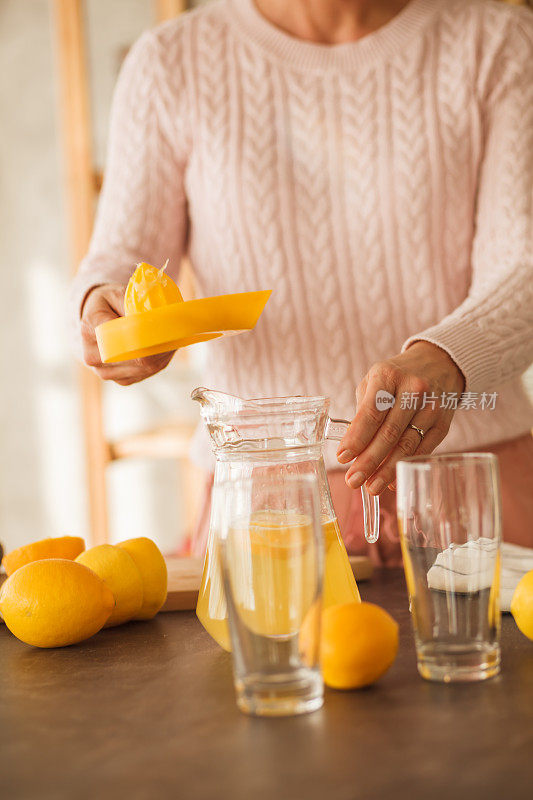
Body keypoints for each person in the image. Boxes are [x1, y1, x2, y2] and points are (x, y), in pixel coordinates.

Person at [72, 0, 533, 563]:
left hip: (474, 489)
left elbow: (523, 259)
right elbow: (122, 256)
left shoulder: (502, 39)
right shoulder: (170, 61)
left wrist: (451, 356)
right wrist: (102, 307)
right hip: (269, 508)